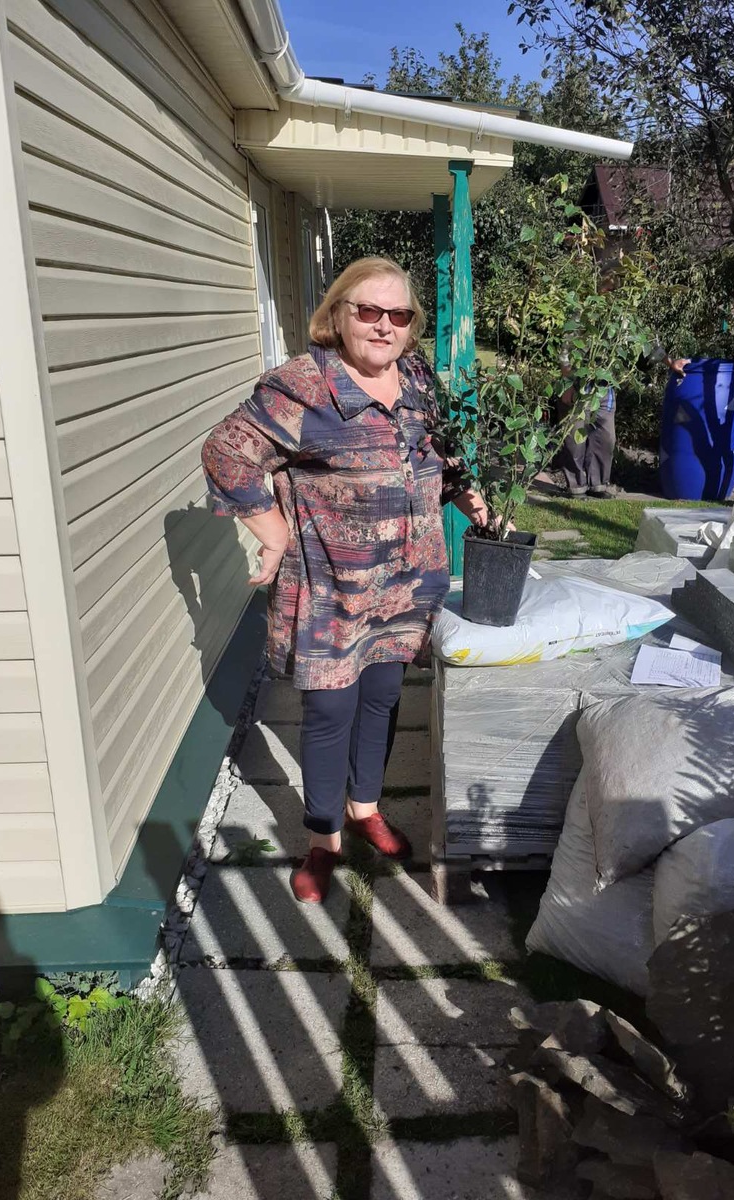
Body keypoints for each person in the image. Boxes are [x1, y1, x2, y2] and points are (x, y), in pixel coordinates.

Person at [201, 258, 489, 904]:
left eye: (399, 315)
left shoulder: (417, 378)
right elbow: (226, 453)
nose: (385, 326)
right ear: (337, 315)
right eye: (369, 311)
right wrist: (273, 531)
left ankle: (366, 808)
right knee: (330, 710)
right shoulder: (303, 388)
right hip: (331, 588)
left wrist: (467, 495)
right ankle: (323, 838)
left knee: (383, 696)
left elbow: (439, 448)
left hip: (405, 582)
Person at [553, 346, 691, 498]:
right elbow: (564, 348)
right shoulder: (581, 329)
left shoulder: (623, 330)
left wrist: (670, 362)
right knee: (575, 439)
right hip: (577, 384)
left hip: (605, 387)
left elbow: (646, 343)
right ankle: (576, 488)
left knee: (605, 438)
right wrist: (567, 382)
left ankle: (597, 486)